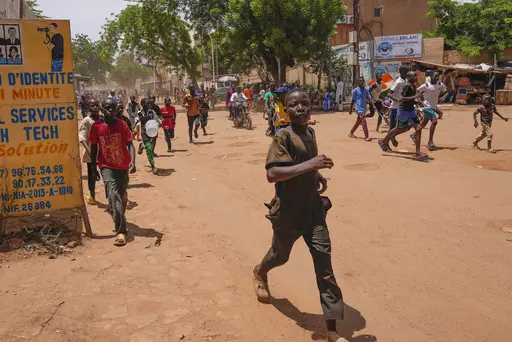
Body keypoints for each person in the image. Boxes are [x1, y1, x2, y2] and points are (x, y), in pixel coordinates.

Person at [253, 88, 346, 342]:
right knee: (280, 256)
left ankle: (332, 331)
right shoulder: (282, 135)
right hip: (288, 214)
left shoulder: (310, 132)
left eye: (305, 104)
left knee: (324, 269)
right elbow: (273, 174)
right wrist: (312, 165)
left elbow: (305, 162)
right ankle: (261, 271)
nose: (301, 109)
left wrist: (316, 175)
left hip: (313, 212)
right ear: (286, 108)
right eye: (294, 105)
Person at [89, 98, 135, 246]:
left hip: (122, 166)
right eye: (107, 108)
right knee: (114, 195)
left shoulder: (122, 124)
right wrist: (93, 167)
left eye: (113, 108)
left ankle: (120, 209)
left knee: (121, 196)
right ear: (102, 110)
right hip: (106, 165)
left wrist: (133, 162)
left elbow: (130, 144)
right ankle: (121, 231)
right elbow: (94, 148)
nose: (111, 111)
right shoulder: (97, 126)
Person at [378, 71, 427, 160]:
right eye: (414, 76)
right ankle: (383, 141)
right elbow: (402, 99)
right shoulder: (407, 86)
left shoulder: (414, 85)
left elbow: (409, 100)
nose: (416, 77)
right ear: (408, 78)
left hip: (411, 110)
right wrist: (415, 96)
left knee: (418, 128)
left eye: (416, 75)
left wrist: (417, 101)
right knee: (399, 129)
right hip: (404, 111)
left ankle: (417, 152)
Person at [415, 71, 447, 150]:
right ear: (430, 76)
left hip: (433, 106)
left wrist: (445, 97)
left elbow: (447, 91)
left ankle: (414, 134)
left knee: (424, 122)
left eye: (438, 76)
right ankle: (430, 141)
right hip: (426, 106)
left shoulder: (440, 85)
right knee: (434, 121)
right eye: (435, 76)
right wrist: (420, 100)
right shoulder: (426, 85)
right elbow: (417, 91)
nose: (437, 78)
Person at [79, 99, 101, 205]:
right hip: (91, 152)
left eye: (97, 105)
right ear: (89, 108)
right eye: (93, 105)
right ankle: (92, 195)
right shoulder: (86, 121)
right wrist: (89, 150)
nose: (95, 108)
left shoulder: (103, 119)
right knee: (92, 173)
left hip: (102, 151)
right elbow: (82, 137)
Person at [386, 65, 411, 147]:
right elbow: (389, 94)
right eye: (408, 71)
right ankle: (385, 143)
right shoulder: (398, 82)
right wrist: (398, 100)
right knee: (392, 128)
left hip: (403, 108)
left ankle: (392, 136)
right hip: (394, 108)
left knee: (407, 126)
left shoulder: (406, 81)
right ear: (403, 72)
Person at [137, 98, 161, 174]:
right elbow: (137, 121)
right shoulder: (139, 113)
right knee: (149, 148)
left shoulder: (152, 112)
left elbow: (157, 119)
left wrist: (159, 123)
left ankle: (142, 146)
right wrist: (134, 130)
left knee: (149, 145)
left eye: (149, 103)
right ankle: (153, 166)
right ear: (143, 104)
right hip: (144, 132)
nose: (149, 104)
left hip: (152, 131)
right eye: (147, 103)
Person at [349, 77, 372, 141]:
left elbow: (369, 97)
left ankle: (351, 132)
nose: (361, 82)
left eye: (362, 81)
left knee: (358, 121)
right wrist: (350, 109)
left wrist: (370, 101)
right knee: (363, 121)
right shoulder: (355, 90)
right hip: (358, 108)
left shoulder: (366, 90)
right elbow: (353, 100)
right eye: (360, 81)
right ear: (358, 82)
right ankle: (367, 136)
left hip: (363, 108)